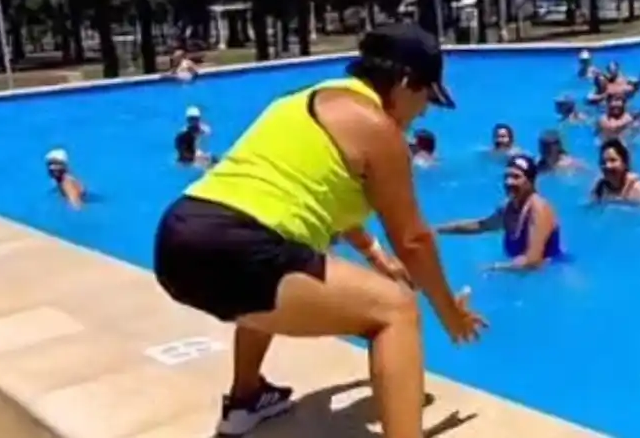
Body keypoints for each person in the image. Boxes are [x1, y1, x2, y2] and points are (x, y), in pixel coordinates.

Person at [152, 23, 485, 438]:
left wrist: (374, 256)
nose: (424, 111)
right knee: (397, 311)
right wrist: (449, 314)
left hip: (178, 237)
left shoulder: (301, 101)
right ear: (403, 83)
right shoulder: (378, 129)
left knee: (272, 279)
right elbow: (414, 240)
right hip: (239, 244)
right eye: (425, 97)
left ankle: (246, 399)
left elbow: (323, 192)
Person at [436, 155, 563, 271]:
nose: (508, 182)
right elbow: (481, 225)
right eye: (506, 177)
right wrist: (437, 230)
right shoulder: (508, 207)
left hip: (554, 272)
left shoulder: (538, 209)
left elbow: (533, 261)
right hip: (522, 276)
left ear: (530, 181)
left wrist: (495, 268)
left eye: (516, 177)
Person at [590, 138, 640, 205]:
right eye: (603, 162)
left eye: (613, 160)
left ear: (624, 163)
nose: (607, 166)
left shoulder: (638, 188)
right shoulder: (600, 188)